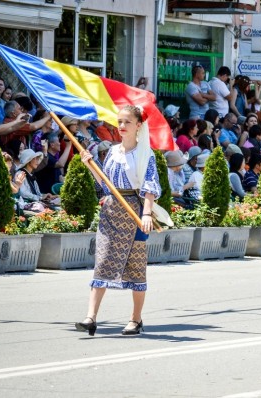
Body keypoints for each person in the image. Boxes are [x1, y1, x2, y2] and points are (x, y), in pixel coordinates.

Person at [76, 105, 161, 336]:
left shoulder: (146, 154)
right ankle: (90, 317)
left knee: (135, 268)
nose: (121, 126)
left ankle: (136, 319)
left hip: (135, 213)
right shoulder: (113, 152)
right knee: (102, 261)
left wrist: (146, 213)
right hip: (111, 211)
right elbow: (106, 184)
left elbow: (150, 186)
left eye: (127, 122)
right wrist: (90, 165)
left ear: (138, 126)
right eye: (119, 122)